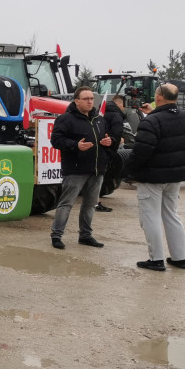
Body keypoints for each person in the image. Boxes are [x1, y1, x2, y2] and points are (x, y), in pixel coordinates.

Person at [128, 83, 185, 270]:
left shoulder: (151, 122)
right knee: (171, 215)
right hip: (175, 176)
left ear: (158, 98)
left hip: (152, 177)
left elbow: (141, 151)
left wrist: (130, 170)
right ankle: (180, 257)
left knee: (150, 217)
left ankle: (156, 259)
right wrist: (152, 114)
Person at [49, 85, 112, 249]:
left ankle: (85, 235)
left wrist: (108, 142)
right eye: (86, 99)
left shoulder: (99, 119)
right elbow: (55, 140)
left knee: (90, 205)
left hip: (97, 169)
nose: (90, 102)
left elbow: (105, 138)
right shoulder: (66, 119)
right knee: (66, 203)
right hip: (76, 169)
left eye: (91, 98)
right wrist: (75, 145)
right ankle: (56, 235)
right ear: (76, 101)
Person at [95, 94, 125, 212]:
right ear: (119, 104)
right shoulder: (117, 115)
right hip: (106, 149)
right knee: (98, 177)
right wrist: (116, 142)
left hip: (96, 148)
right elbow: (117, 133)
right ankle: (95, 202)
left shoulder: (99, 112)